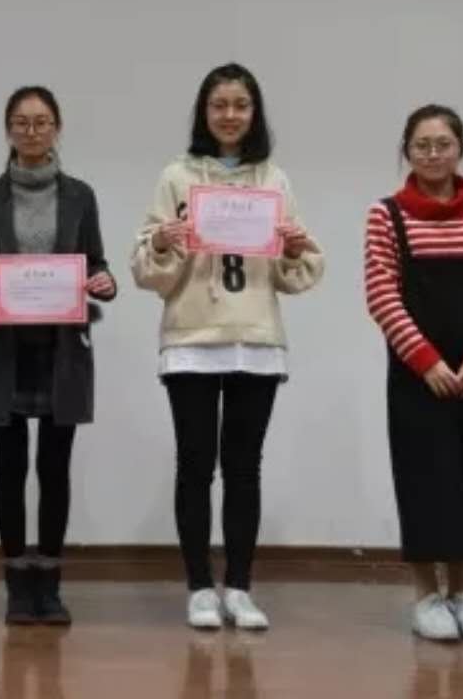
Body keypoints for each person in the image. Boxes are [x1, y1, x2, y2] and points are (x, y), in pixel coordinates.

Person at [131, 63, 323, 631]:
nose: (230, 115)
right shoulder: (175, 177)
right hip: (192, 338)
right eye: (219, 105)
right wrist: (162, 243)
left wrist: (295, 248)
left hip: (255, 337)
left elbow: (294, 273)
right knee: (195, 465)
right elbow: (148, 271)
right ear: (203, 112)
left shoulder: (274, 180)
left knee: (244, 468)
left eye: (240, 105)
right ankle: (198, 587)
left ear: (255, 113)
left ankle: (238, 586)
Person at [0, 86, 117, 625]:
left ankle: (49, 586)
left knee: (54, 469)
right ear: (8, 130)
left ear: (57, 129)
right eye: (22, 122)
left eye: (42, 122)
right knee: (9, 469)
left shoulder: (80, 196)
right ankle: (15, 588)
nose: (32, 131)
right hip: (5, 351)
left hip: (62, 350)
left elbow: (96, 262)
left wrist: (105, 281)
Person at [365, 104, 463, 642]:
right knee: (426, 480)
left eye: (443, 144)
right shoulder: (387, 215)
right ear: (407, 152)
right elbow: (381, 294)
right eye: (422, 145)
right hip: (417, 374)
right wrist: (426, 361)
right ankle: (427, 598)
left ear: (460, 148)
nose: (433, 154)